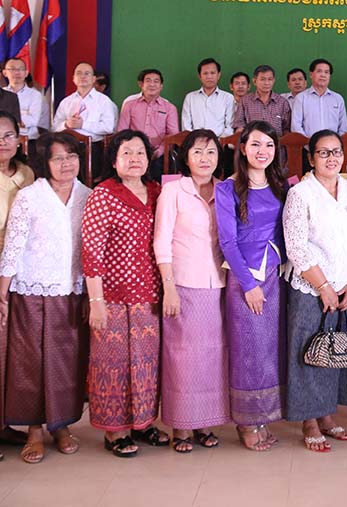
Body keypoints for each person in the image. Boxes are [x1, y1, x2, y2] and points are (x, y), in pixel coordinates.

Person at [0, 132, 88, 463]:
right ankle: (35, 429)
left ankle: (62, 426)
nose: (66, 164)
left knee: (67, 360)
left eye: (72, 156)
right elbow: (14, 244)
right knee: (31, 361)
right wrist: (3, 291)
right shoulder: (29, 196)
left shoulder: (88, 196)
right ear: (44, 163)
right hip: (30, 289)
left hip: (71, 289)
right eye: (58, 158)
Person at [81, 130, 168, 457]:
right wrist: (96, 301)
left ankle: (143, 423)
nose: (134, 159)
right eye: (127, 153)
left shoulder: (158, 191)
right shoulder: (103, 194)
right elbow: (92, 251)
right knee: (112, 362)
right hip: (111, 295)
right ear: (114, 160)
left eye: (140, 153)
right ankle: (114, 430)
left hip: (149, 292)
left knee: (146, 361)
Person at [283, 130, 347, 452]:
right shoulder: (301, 194)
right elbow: (296, 247)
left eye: (335, 152)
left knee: (335, 351)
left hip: (346, 286)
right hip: (310, 287)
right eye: (323, 153)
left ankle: (328, 415)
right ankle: (309, 420)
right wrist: (323, 287)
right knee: (309, 352)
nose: (331, 158)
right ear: (311, 158)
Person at [154, 130, 229, 454]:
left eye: (211, 152)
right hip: (183, 284)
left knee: (213, 356)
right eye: (198, 152)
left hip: (218, 284)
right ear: (185, 157)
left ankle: (205, 422)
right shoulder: (173, 191)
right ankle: (181, 426)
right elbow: (161, 242)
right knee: (182, 358)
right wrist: (168, 288)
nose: (205, 158)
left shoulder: (224, 191)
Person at [215, 121, 287, 451]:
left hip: (275, 274)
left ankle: (265, 416)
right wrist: (247, 284)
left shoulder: (280, 184)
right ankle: (247, 421)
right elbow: (227, 241)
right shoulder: (227, 188)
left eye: (269, 146)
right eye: (256, 144)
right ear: (242, 148)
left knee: (269, 349)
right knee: (249, 350)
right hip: (247, 277)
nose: (263, 152)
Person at [0, 110, 34, 456]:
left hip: (16, 270)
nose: (2, 142)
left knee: (7, 349)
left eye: (8, 135)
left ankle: (5, 423)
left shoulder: (26, 174)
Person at [116, 68, 180, 179]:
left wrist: (159, 151)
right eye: (148, 81)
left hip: (160, 155)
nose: (152, 84)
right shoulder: (129, 105)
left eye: (156, 81)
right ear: (141, 84)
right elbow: (122, 132)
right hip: (133, 152)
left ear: (161, 86)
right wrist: (135, 150)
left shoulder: (170, 108)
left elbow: (173, 135)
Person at [53, 61, 117, 141]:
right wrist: (66, 124)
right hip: (68, 145)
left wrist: (83, 125)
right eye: (79, 73)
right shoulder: (66, 102)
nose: (82, 76)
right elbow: (55, 127)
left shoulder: (104, 101)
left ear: (94, 79)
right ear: (73, 78)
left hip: (93, 145)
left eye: (87, 73)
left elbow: (108, 128)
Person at [291, 58, 347, 138]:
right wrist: (310, 144)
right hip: (307, 148)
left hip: (333, 148)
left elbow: (343, 128)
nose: (323, 75)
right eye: (319, 71)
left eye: (326, 72)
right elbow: (296, 127)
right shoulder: (301, 98)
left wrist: (335, 144)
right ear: (311, 74)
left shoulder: (338, 99)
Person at [181, 58, 235, 137]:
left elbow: (230, 126)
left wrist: (217, 142)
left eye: (212, 73)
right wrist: (194, 141)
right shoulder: (190, 98)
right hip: (194, 143)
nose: (209, 76)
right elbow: (186, 127)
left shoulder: (228, 98)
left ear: (218, 75)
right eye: (205, 73)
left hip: (220, 144)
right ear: (199, 76)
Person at [233, 65, 291, 136]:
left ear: (273, 81)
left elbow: (286, 129)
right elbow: (239, 124)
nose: (266, 83)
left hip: (276, 144)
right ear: (254, 81)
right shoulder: (245, 101)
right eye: (262, 79)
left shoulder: (282, 102)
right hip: (252, 143)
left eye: (270, 79)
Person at [3, 57, 49, 141]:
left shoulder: (35, 95)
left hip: (29, 139)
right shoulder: (2, 93)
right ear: (5, 73)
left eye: (21, 69)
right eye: (12, 69)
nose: (17, 72)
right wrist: (23, 114)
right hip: (3, 138)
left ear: (26, 73)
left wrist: (7, 115)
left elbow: (33, 120)